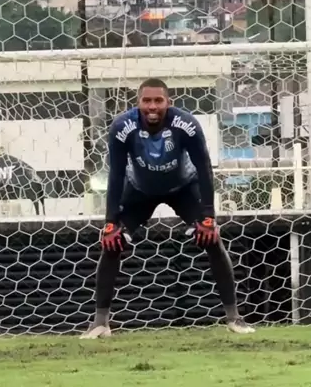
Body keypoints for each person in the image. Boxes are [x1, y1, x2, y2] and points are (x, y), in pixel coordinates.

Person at [81, 77, 255, 339]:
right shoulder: (122, 126)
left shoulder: (186, 125)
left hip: (183, 189)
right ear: (138, 103)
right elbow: (116, 173)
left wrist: (209, 216)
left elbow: (204, 168)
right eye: (146, 101)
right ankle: (100, 324)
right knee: (112, 242)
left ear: (168, 102)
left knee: (212, 239)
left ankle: (234, 318)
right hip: (139, 191)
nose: (152, 106)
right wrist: (110, 221)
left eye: (158, 100)